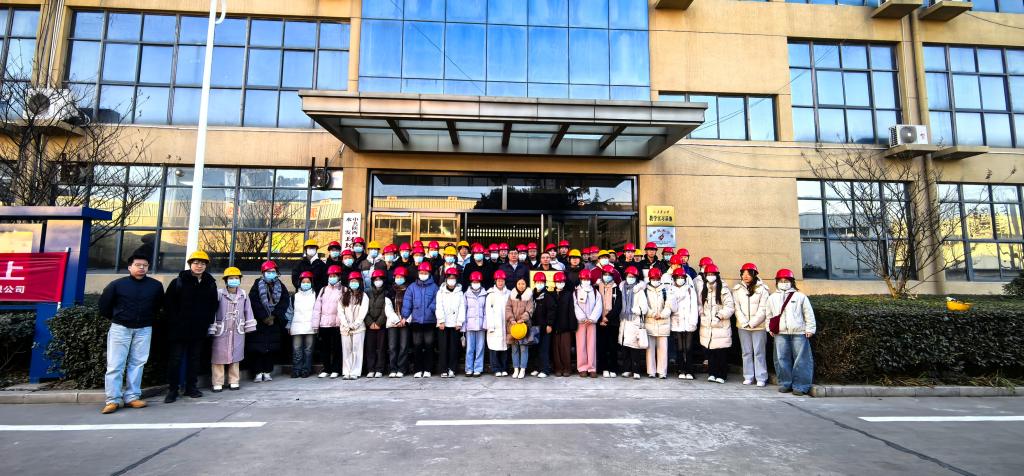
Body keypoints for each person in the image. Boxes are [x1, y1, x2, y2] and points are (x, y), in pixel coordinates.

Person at [98, 253, 164, 414]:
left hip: (144, 328)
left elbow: (158, 306)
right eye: (138, 265)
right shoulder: (117, 285)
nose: (142, 268)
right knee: (115, 364)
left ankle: (132, 397)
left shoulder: (155, 286)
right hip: (120, 328)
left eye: (145, 265)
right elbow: (104, 306)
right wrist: (118, 317)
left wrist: (148, 318)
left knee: (138, 363)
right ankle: (113, 400)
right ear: (129, 267)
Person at [162, 250, 218, 403]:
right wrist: (175, 322)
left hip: (199, 329)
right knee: (175, 359)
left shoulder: (210, 283)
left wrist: (206, 322)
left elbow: (213, 304)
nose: (199, 266)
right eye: (196, 263)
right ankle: (173, 389)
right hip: (179, 329)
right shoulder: (178, 282)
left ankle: (191, 387)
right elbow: (168, 304)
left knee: (194, 359)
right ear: (190, 264)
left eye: (202, 263)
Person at [768, 268, 816, 396]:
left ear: (792, 282)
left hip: (799, 332)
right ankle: (785, 383)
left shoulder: (800, 296)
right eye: (781, 281)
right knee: (781, 359)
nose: (784, 283)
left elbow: (808, 313)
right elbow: (769, 314)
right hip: (780, 333)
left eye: (786, 281)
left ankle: (801, 386)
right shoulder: (772, 298)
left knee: (802, 360)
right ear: (777, 282)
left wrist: (810, 329)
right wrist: (770, 328)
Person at [209, 267, 256, 392]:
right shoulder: (219, 294)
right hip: (221, 330)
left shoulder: (243, 294)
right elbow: (212, 311)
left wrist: (249, 326)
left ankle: (234, 381)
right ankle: (217, 382)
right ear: (226, 280)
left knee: (236, 356)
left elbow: (248, 311)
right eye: (231, 278)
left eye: (236, 278)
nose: (234, 280)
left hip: (237, 330)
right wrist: (212, 326)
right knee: (218, 357)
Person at [248, 260, 289, 383]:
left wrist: (274, 316)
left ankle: (267, 371)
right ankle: (257, 372)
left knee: (270, 349)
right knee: (258, 348)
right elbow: (254, 301)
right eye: (268, 272)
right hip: (260, 322)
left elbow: (284, 302)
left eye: (273, 271)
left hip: (274, 322)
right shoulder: (257, 285)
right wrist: (264, 316)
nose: (271, 274)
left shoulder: (281, 286)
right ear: (263, 273)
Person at [734, 263, 771, 387]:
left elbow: (764, 308)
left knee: (759, 352)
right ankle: (748, 376)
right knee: (746, 352)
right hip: (743, 326)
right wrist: (744, 322)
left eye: (748, 273)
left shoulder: (763, 289)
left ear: (754, 274)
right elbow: (736, 307)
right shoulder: (737, 289)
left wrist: (753, 322)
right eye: (743, 273)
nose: (745, 276)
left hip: (758, 326)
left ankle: (761, 377)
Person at [699, 264, 734, 383]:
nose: (710, 276)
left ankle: (722, 375)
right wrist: (702, 315)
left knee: (720, 352)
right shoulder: (704, 289)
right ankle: (712, 373)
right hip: (707, 326)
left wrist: (719, 316)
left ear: (717, 275)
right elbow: (700, 305)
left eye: (712, 274)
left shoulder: (723, 289)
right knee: (710, 351)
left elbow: (730, 307)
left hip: (721, 325)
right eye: (708, 274)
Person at [404, 262, 438, 378]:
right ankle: (418, 369)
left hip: (430, 321)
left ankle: (428, 369)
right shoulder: (412, 287)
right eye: (421, 272)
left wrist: (430, 310)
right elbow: (407, 302)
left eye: (425, 273)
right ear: (418, 273)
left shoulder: (434, 287)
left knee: (429, 345)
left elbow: (437, 301)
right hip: (416, 321)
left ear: (429, 274)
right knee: (417, 345)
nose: (423, 274)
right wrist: (405, 315)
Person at [667, 267, 699, 380]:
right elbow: (673, 308)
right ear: (674, 278)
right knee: (679, 348)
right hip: (677, 322)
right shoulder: (671, 290)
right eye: (678, 277)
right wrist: (673, 297)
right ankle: (681, 369)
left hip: (689, 321)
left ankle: (689, 370)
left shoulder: (690, 290)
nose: (680, 279)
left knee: (688, 348)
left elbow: (694, 307)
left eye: (682, 277)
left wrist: (693, 321)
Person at [312, 265, 344, 378]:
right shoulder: (323, 290)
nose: (332, 278)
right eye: (330, 276)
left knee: (337, 348)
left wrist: (341, 322)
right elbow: (317, 308)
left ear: (339, 277)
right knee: (324, 348)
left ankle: (336, 369)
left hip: (337, 324)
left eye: (334, 276)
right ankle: (326, 368)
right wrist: (315, 325)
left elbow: (344, 308)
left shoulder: (343, 290)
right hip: (324, 324)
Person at [618, 266, 648, 380]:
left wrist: (633, 310)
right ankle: (627, 369)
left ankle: (636, 371)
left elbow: (644, 309)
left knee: (635, 348)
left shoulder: (639, 291)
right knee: (625, 347)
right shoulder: (622, 289)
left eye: (632, 277)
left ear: (636, 278)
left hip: (634, 321)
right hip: (624, 321)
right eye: (628, 276)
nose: (630, 278)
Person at [286, 271, 317, 378]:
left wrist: (316, 325)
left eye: (308, 282)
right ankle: (296, 369)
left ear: (311, 283)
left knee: (308, 350)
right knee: (297, 349)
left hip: (310, 326)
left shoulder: (315, 295)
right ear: (300, 283)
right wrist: (289, 325)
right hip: (296, 326)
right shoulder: (294, 296)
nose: (305, 284)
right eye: (303, 282)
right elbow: (290, 312)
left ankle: (306, 369)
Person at [435, 267, 465, 378]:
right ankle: (443, 369)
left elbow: (462, 307)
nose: (451, 280)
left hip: (455, 324)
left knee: (454, 348)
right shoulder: (440, 292)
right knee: (443, 347)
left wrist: (459, 322)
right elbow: (439, 307)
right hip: (443, 324)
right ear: (446, 279)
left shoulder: (460, 293)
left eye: (453, 278)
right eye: (449, 278)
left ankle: (452, 368)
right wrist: (441, 320)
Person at [643, 267, 672, 379]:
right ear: (649, 279)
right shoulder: (645, 290)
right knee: (650, 349)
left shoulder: (666, 290)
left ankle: (662, 372)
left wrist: (662, 314)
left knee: (663, 349)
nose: (655, 280)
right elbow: (644, 305)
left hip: (663, 323)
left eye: (657, 279)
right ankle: (651, 371)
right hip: (650, 322)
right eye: (653, 279)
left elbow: (669, 306)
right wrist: (652, 313)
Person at [338, 271, 368, 380]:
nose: (353, 283)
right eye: (352, 281)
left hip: (358, 328)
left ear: (359, 282)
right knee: (346, 350)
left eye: (355, 281)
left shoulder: (364, 296)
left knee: (357, 350)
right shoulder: (344, 296)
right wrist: (345, 324)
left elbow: (363, 311)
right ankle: (347, 371)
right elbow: (340, 311)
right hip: (345, 328)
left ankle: (355, 372)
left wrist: (356, 324)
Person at [573, 268, 602, 378]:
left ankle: (592, 368)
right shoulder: (576, 292)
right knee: (581, 345)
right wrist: (582, 317)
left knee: (591, 344)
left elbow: (599, 305)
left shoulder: (595, 292)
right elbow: (575, 306)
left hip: (591, 322)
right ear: (580, 280)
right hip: (581, 322)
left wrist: (592, 318)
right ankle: (582, 368)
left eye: (588, 279)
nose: (586, 281)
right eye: (584, 279)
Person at [596, 265, 622, 378]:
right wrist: (600, 318)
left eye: (609, 275)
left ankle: (613, 368)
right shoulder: (596, 288)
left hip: (612, 322)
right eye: (605, 274)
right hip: (599, 321)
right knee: (602, 346)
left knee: (612, 346)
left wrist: (608, 317)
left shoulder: (617, 288)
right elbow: (594, 304)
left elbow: (618, 305)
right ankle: (603, 368)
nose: (607, 276)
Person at [505, 277, 534, 379]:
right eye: (519, 284)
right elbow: (508, 308)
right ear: (516, 284)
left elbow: (530, 309)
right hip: (513, 326)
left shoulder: (529, 295)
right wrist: (511, 319)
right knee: (514, 349)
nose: (521, 286)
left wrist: (523, 319)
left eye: (523, 284)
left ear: (526, 285)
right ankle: (516, 369)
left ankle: (522, 369)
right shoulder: (512, 295)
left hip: (523, 326)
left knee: (523, 348)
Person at [363, 269, 390, 378]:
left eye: (380, 279)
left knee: (381, 347)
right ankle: (371, 368)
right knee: (370, 347)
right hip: (370, 325)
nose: (378, 281)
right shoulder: (367, 293)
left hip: (381, 325)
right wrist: (370, 322)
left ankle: (379, 369)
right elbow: (364, 309)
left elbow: (386, 309)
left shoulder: (387, 293)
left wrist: (379, 323)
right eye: (376, 279)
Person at [461, 271, 488, 377]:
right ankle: (469, 368)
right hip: (470, 325)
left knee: (480, 348)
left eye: (477, 281)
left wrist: (485, 324)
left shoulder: (485, 294)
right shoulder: (466, 294)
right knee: (469, 348)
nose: (475, 283)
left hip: (481, 325)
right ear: (471, 282)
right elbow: (464, 310)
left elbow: (486, 311)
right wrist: (463, 326)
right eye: (474, 281)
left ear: (480, 282)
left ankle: (478, 368)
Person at [385, 266, 411, 377]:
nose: (399, 279)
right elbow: (388, 308)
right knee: (392, 347)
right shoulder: (390, 291)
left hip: (405, 321)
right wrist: (396, 320)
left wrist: (405, 319)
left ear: (405, 278)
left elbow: (411, 306)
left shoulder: (409, 290)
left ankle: (402, 369)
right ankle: (393, 369)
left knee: (403, 346)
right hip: (392, 322)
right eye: (397, 277)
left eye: (401, 277)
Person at [485, 270, 512, 377]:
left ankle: (504, 368)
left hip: (506, 324)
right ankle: (496, 368)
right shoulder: (490, 295)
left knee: (505, 347)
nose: (500, 282)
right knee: (494, 348)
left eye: (502, 280)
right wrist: (490, 326)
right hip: (495, 325)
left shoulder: (509, 293)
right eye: (498, 280)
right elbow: (488, 311)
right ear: (495, 281)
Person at [548, 271, 575, 377]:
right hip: (554, 325)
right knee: (556, 349)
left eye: (562, 282)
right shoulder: (551, 294)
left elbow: (571, 311)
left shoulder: (568, 294)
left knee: (565, 348)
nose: (560, 283)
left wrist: (572, 326)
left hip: (566, 326)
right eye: (558, 282)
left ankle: (567, 368)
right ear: (555, 283)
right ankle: (558, 368)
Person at [530, 272, 553, 378]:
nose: (539, 284)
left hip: (544, 327)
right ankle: (537, 368)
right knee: (535, 348)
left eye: (541, 282)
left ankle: (545, 369)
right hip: (535, 327)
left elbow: (552, 310)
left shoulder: (547, 296)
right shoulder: (533, 295)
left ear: (544, 283)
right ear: (534, 283)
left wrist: (549, 324)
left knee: (544, 349)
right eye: (537, 282)